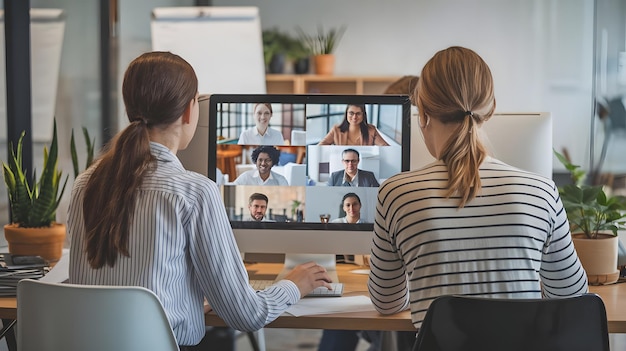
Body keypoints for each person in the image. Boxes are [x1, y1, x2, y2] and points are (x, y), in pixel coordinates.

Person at [67, 51, 333, 349]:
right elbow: (247, 315)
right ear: (189, 112)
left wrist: (184, 303)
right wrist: (294, 284)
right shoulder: (194, 192)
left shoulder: (85, 184)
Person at [368, 46, 588, 346]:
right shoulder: (541, 193)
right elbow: (571, 294)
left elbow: (387, 302)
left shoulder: (397, 194)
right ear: (492, 108)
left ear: (423, 113)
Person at [318, 104, 390, 146]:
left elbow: (386, 148)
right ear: (346, 114)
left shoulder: (371, 130)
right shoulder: (336, 130)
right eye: (351, 113)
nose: (354, 117)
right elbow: (320, 147)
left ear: (363, 115)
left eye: (358, 113)